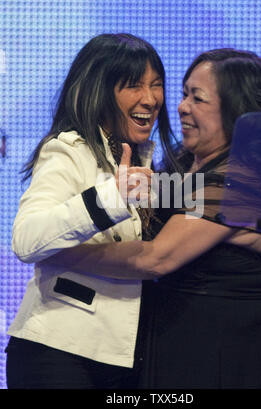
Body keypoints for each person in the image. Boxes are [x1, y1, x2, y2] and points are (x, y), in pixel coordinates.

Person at [45, 48, 261, 389]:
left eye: (198, 98)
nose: (181, 107)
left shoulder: (239, 183)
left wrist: (56, 251)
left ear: (237, 112)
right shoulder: (183, 166)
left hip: (219, 358)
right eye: (183, 93)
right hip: (170, 348)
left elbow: (155, 258)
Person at [6, 33, 178, 389]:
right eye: (134, 86)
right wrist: (110, 198)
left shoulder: (150, 163)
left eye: (157, 85)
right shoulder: (68, 150)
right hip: (58, 354)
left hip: (128, 360)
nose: (151, 98)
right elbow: (26, 240)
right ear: (99, 91)